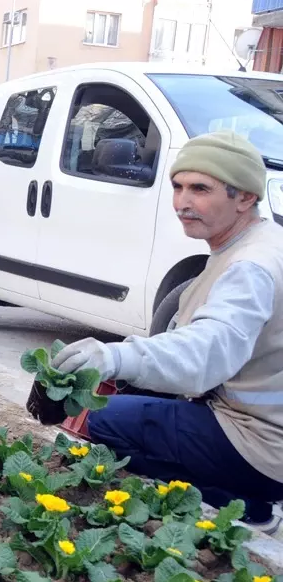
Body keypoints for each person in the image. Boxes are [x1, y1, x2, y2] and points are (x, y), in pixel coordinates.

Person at [53, 131, 283, 534]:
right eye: (178, 187)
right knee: (138, 400)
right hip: (264, 427)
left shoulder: (250, 268)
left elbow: (206, 353)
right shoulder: (261, 243)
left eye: (200, 189)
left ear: (245, 197)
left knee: (101, 420)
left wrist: (113, 357)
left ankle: (234, 503)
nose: (182, 202)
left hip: (258, 444)